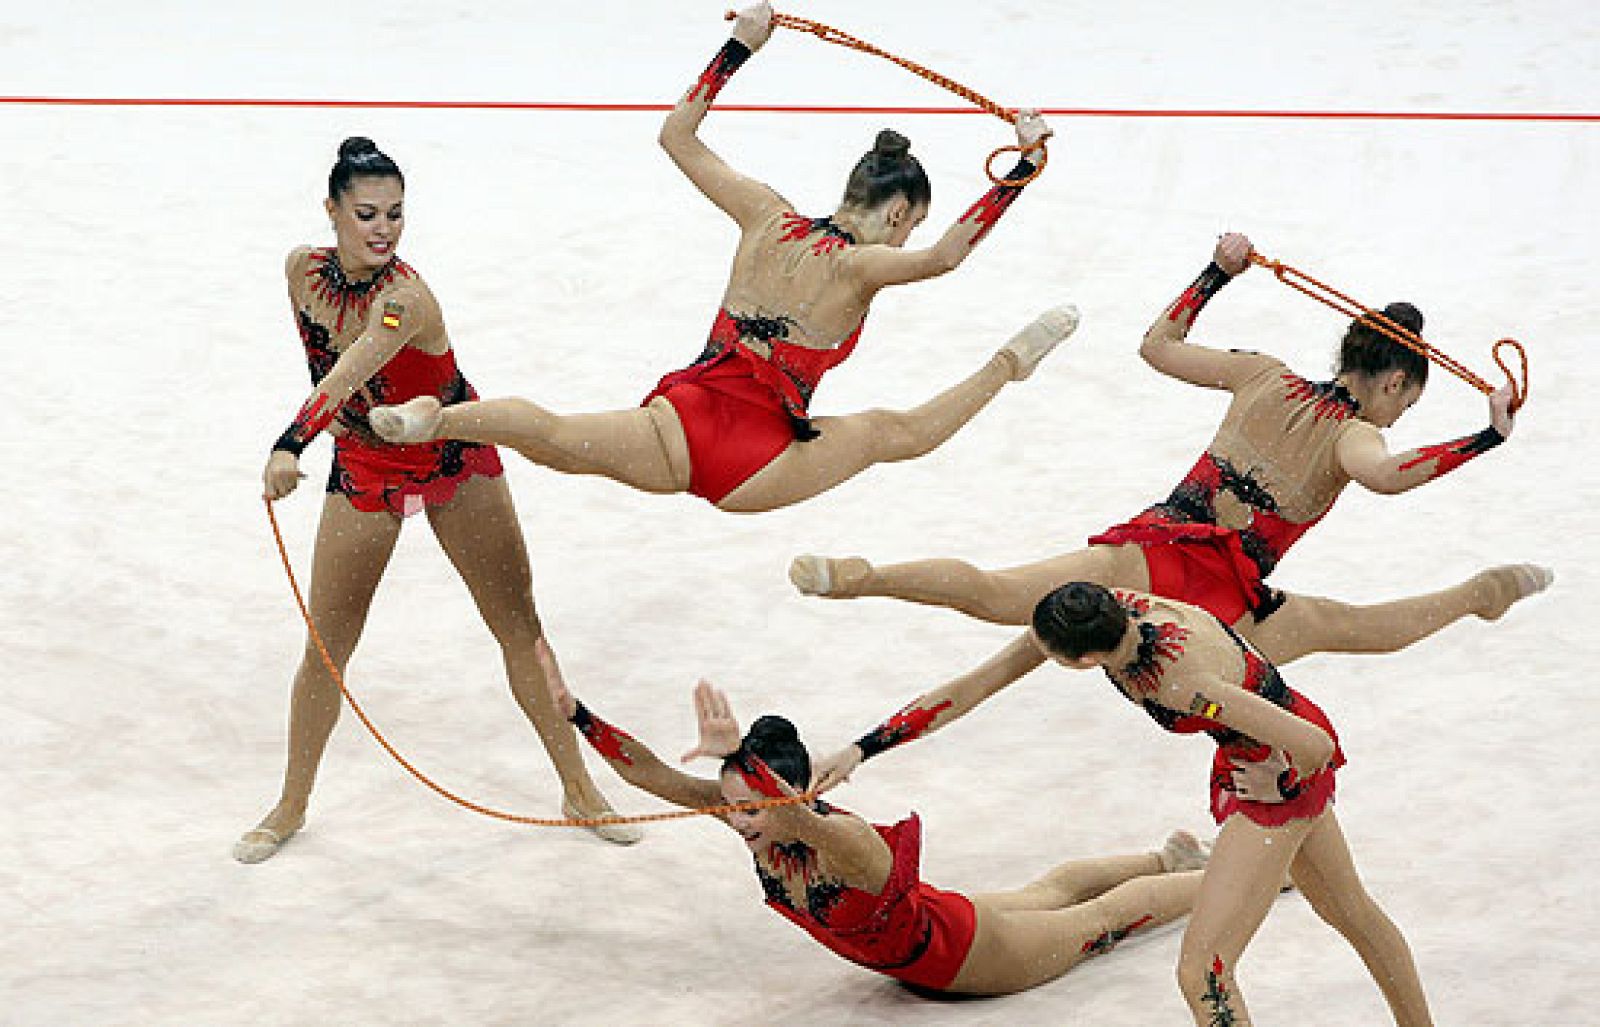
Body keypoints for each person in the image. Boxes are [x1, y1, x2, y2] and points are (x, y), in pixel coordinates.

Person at [368, 2, 1075, 514]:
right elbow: (947, 257)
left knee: (552, 434)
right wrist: (1021, 166)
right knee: (901, 434)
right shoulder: (859, 266)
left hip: (680, 416)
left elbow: (678, 136)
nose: (905, 240)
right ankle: (1011, 363)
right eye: (908, 226)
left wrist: (739, 48)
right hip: (756, 460)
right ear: (897, 214)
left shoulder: (764, 215)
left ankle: (443, 416)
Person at [789, 231, 1549, 665]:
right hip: (1221, 604)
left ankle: (864, 576)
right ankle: (1477, 598)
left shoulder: (1262, 375)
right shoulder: (1357, 435)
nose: (1399, 420)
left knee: (995, 592)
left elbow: (1158, 345)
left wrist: (1215, 273)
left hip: (1148, 553)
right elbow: (1385, 476)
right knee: (1348, 628)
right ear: (1391, 388)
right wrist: (1485, 436)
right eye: (1407, 405)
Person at [236, 137, 636, 864]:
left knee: (520, 627)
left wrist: (290, 442)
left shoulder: (407, 299)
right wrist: (314, 443)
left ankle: (580, 788)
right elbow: (330, 358)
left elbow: (349, 368)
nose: (383, 228)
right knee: (327, 647)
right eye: (366, 213)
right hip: (365, 459)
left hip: (451, 446)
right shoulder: (300, 271)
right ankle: (290, 803)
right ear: (331, 210)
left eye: (395, 213)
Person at [812, 582, 1435, 1024]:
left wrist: (1276, 777)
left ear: (1082, 661)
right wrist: (864, 748)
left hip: (1278, 776)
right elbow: (975, 686)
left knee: (1203, 973)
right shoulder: (1105, 607)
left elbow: (1313, 743)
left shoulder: (1183, 682)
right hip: (1252, 751)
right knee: (1352, 913)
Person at [551, 676, 1214, 996]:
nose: (738, 819)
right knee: (1049, 888)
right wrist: (579, 714)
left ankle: (1254, 873)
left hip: (975, 960)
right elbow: (657, 779)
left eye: (753, 806)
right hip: (937, 930)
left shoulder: (848, 843)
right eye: (732, 806)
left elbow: (798, 817)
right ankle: (1167, 856)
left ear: (795, 795)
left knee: (1101, 918)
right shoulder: (754, 820)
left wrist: (748, 768)